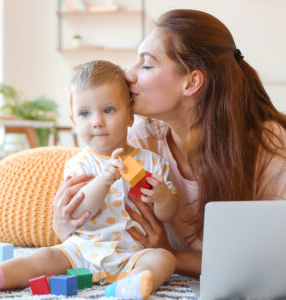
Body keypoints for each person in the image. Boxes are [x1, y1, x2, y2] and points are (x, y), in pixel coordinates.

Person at [52, 8, 286, 279]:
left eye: (147, 64)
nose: (129, 75)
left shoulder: (268, 147)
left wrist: (169, 256)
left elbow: (273, 263)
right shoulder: (138, 140)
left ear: (192, 82)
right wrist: (64, 224)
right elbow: (97, 225)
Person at [0, 60, 178, 299]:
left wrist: (163, 197)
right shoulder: (79, 164)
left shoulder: (152, 162)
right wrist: (103, 180)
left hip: (132, 251)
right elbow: (78, 209)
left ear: (130, 116)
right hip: (81, 249)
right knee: (42, 257)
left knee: (164, 258)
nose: (97, 121)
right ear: (74, 121)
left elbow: (168, 213)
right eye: (84, 113)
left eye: (108, 110)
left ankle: (128, 286)